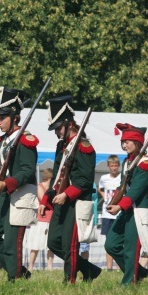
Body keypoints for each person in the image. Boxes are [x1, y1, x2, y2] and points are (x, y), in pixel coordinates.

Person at [40, 95, 101, 284]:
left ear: (69, 124)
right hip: (60, 200)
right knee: (53, 242)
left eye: (59, 127)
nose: (57, 132)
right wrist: (46, 200)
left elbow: (84, 180)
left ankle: (70, 281)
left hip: (75, 201)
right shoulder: (62, 145)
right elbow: (57, 177)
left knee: (70, 245)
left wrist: (67, 194)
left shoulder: (84, 147)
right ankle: (89, 270)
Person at [0, 86, 38, 282]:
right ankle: (19, 273)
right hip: (3, 194)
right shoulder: (4, 141)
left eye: (3, 117)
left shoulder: (26, 139)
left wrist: (7, 184)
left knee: (11, 244)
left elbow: (28, 170)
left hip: (19, 194)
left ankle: (14, 280)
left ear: (14, 117)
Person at [104, 123, 148, 286]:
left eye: (128, 141)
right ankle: (138, 272)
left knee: (130, 250)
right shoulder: (127, 162)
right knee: (111, 244)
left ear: (138, 142)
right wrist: (114, 202)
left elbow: (136, 191)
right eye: (123, 142)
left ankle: (129, 283)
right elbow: (123, 187)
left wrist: (120, 206)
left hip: (138, 211)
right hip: (126, 209)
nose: (124, 145)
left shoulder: (146, 164)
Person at [27, 168, 55, 271]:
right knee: (35, 244)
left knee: (50, 246)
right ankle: (30, 266)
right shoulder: (40, 187)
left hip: (51, 219)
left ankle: (50, 266)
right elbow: (43, 199)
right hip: (40, 219)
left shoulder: (53, 188)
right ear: (49, 177)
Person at [98, 155, 122, 271]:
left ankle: (119, 266)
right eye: (112, 166)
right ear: (108, 166)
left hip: (118, 212)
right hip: (107, 213)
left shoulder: (122, 177)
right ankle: (109, 267)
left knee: (119, 240)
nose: (114, 168)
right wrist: (105, 197)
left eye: (116, 166)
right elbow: (100, 188)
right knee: (108, 241)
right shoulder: (104, 178)